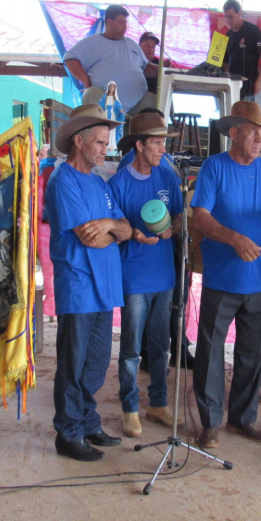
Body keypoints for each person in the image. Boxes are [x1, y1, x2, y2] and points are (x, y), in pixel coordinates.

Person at [190, 101, 261, 449]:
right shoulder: (214, 168)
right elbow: (200, 216)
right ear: (234, 133)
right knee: (211, 354)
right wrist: (233, 238)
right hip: (222, 280)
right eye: (254, 131)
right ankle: (210, 423)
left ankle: (243, 418)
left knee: (252, 354)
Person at [45, 104, 132, 462]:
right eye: (98, 142)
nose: (105, 149)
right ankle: (68, 432)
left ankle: (87, 420)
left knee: (95, 363)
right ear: (78, 141)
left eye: (106, 142)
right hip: (79, 285)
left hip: (104, 285)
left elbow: (126, 229)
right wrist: (112, 228)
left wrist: (111, 225)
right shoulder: (62, 180)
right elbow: (89, 239)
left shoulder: (98, 182)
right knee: (73, 362)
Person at [107, 113, 183, 438]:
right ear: (139, 145)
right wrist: (132, 234)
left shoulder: (167, 179)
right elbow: (113, 229)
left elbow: (180, 218)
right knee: (131, 349)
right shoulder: (118, 184)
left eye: (164, 141)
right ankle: (129, 408)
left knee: (161, 345)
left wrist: (171, 230)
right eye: (157, 142)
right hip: (134, 278)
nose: (163, 148)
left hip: (164, 274)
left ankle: (158, 404)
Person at [64, 5, 158, 115]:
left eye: (126, 23)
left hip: (137, 104)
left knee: (154, 101)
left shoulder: (131, 43)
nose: (125, 26)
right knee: (90, 94)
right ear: (109, 22)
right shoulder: (93, 42)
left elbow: (146, 67)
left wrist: (162, 69)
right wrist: (85, 79)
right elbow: (69, 58)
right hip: (105, 102)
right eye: (121, 22)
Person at [222, 0, 261, 101]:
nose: (228, 20)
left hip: (248, 85)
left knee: (245, 116)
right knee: (232, 115)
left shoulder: (253, 30)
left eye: (231, 16)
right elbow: (225, 61)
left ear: (239, 13)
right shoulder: (229, 35)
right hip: (232, 86)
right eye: (226, 17)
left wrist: (259, 80)